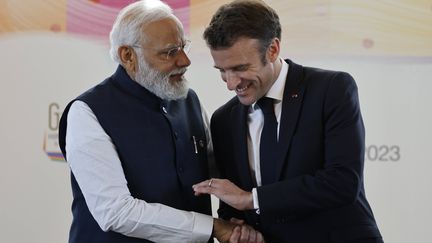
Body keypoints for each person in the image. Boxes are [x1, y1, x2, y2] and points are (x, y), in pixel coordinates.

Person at [58, 1, 264, 242]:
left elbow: (217, 173)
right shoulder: (88, 112)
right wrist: (213, 227)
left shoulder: (188, 100)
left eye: (183, 47)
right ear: (128, 55)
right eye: (169, 52)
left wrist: (244, 214)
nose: (185, 60)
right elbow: (115, 212)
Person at [193, 0, 383, 242]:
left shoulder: (331, 89)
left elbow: (343, 183)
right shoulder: (223, 120)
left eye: (240, 68)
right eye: (221, 70)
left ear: (272, 49)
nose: (231, 83)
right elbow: (233, 205)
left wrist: (252, 199)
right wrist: (237, 227)